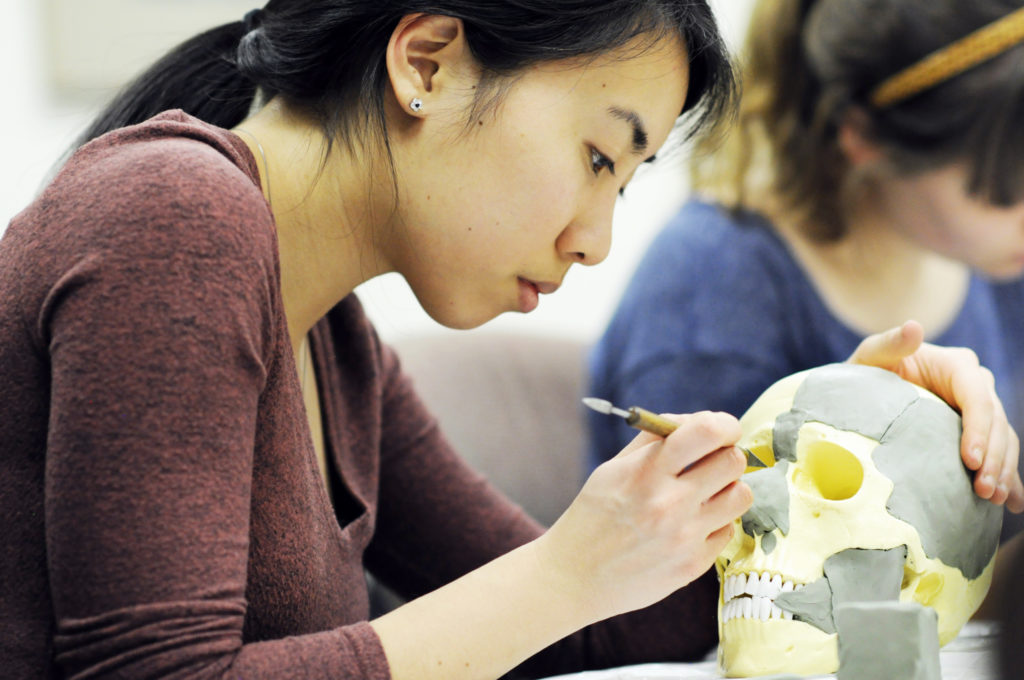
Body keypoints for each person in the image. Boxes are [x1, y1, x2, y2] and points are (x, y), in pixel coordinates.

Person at [0, 1, 1016, 678]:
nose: (595, 238)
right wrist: (564, 572)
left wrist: (861, 434)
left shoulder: (337, 340)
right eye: (595, 155)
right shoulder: (173, 218)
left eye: (623, 181)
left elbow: (609, 622)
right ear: (427, 64)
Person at [587, 0, 1024, 529]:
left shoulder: (992, 259)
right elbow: (707, 579)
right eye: (1005, 194)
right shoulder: (714, 287)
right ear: (863, 136)